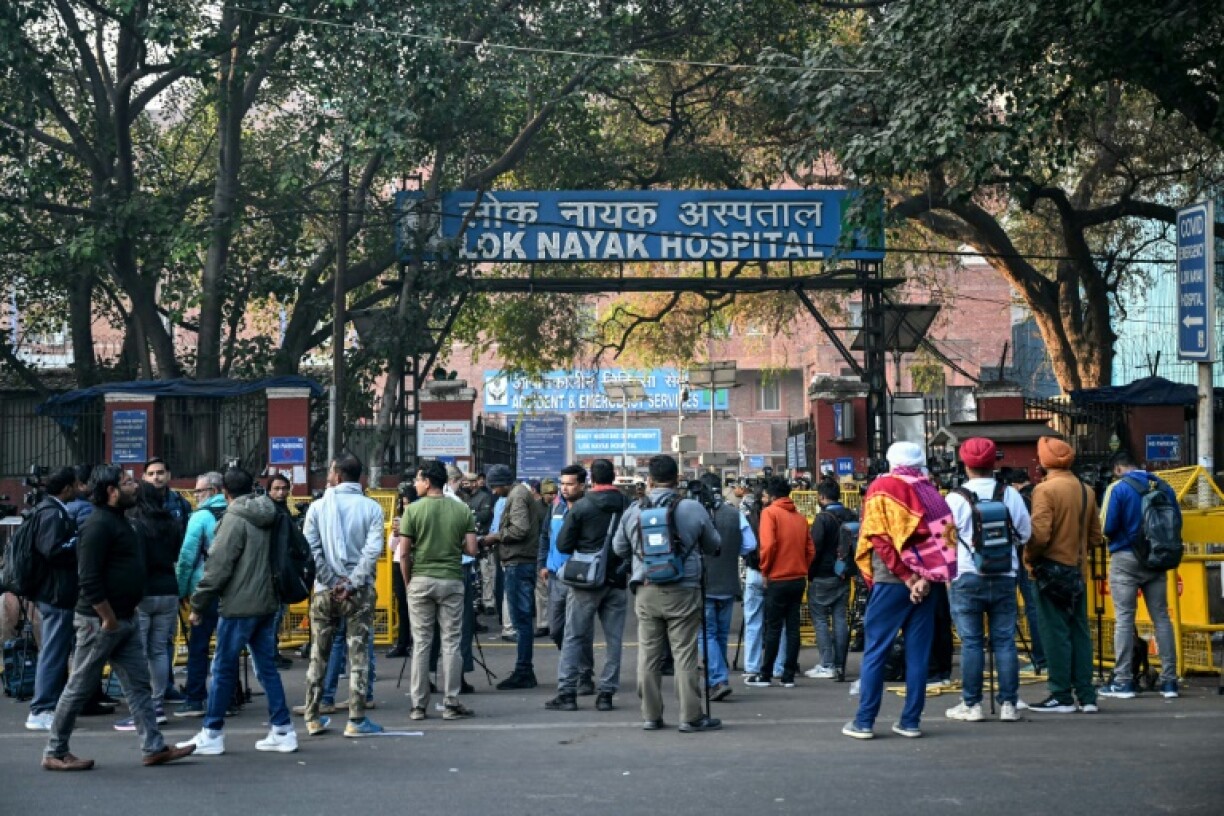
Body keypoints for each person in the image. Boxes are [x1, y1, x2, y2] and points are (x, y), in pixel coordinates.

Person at [41, 465, 195, 770]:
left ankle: (153, 746)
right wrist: (108, 619)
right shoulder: (97, 525)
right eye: (127, 483)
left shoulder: (124, 521)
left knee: (139, 687)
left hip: (125, 619)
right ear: (111, 491)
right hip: (99, 622)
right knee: (80, 686)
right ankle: (55, 751)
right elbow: (89, 579)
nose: (135, 486)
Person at [177, 468, 296, 755]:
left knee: (223, 667)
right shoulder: (271, 512)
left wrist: (198, 604)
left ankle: (212, 731)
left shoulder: (233, 519)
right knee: (266, 666)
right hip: (267, 600)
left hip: (239, 603)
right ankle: (283, 729)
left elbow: (218, 566)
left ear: (224, 493)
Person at [843, 441, 955, 740]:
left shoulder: (881, 488)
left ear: (891, 461)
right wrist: (925, 579)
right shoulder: (931, 493)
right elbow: (945, 543)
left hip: (891, 582)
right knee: (918, 655)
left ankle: (864, 721)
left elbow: (878, 538)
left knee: (876, 651)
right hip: (926, 585)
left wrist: (907, 577)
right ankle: (910, 721)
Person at [613, 455, 721, 733]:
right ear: (678, 479)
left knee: (648, 654)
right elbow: (713, 544)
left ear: (648, 479)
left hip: (647, 589)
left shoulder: (634, 510)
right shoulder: (692, 508)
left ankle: (651, 715)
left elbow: (618, 549)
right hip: (684, 589)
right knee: (684, 653)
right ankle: (691, 716)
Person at [942, 437, 1031, 723]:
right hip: (1005, 574)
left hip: (967, 575)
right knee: (1004, 641)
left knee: (971, 642)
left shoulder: (955, 498)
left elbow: (943, 540)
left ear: (965, 464)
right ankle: (1009, 704)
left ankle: (972, 704)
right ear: (994, 463)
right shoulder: (1010, 495)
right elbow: (1025, 534)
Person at [301, 453, 386, 737]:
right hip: (359, 592)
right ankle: (357, 718)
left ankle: (313, 716)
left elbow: (311, 551)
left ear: (336, 474)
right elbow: (372, 551)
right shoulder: (372, 508)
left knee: (319, 653)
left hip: (325, 591)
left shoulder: (317, 508)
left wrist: (331, 580)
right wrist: (351, 583)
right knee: (358, 653)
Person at [544, 459, 630, 712]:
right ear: (613, 477)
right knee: (614, 640)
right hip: (616, 577)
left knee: (574, 635)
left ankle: (567, 692)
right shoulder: (627, 504)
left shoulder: (582, 507)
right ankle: (606, 693)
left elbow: (562, 545)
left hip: (585, 579)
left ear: (591, 479)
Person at [1024, 436, 1102, 714]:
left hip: (1050, 572)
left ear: (1045, 461)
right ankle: (1087, 695)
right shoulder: (1086, 490)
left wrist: (1029, 559)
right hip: (1078, 571)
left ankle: (1061, 694)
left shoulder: (1044, 491)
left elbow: (1040, 534)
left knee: (1054, 633)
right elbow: (1095, 536)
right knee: (1079, 631)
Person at [399, 460, 479, 721]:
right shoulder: (462, 509)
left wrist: (409, 582)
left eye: (418, 479)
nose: (415, 484)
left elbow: (404, 554)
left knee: (422, 642)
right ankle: (451, 701)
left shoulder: (413, 511)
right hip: (452, 580)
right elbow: (472, 550)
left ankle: (418, 705)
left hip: (421, 580)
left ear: (428, 481)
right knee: (451, 642)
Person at [1098, 450, 1181, 699]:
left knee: (1124, 619)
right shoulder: (1163, 485)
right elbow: (1176, 521)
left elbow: (1108, 526)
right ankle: (1169, 682)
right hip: (1158, 559)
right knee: (1162, 619)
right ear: (1139, 465)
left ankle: (1123, 681)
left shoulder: (1118, 488)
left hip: (1126, 558)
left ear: (1117, 469)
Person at [113, 481, 183, 730]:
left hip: (143, 593)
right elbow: (176, 555)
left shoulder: (135, 525)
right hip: (169, 589)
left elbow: (137, 562)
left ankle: (142, 710)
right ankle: (157, 705)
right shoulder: (172, 523)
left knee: (138, 652)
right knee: (159, 650)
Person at [25, 468, 83, 731]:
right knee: (53, 651)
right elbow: (51, 550)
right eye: (75, 485)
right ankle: (42, 709)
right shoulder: (53, 513)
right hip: (56, 592)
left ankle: (48, 705)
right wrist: (76, 542)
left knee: (56, 650)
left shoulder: (48, 510)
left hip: (52, 591)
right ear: (67, 488)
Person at [745, 476, 813, 689]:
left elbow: (768, 545)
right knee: (792, 628)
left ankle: (765, 674)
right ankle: (788, 674)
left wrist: (766, 570)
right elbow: (810, 549)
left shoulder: (770, 513)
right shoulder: (800, 518)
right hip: (798, 577)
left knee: (773, 627)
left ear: (772, 495)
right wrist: (802, 566)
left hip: (777, 577)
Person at [482, 464, 545, 690]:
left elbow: (520, 529)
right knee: (522, 618)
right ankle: (523, 668)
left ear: (501, 483)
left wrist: (495, 537)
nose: (493, 492)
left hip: (519, 562)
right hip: (521, 561)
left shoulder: (517, 496)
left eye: (494, 487)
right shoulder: (521, 494)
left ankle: (523, 670)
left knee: (521, 620)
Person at [696, 472, 755, 702]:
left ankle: (718, 679)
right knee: (719, 634)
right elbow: (750, 544)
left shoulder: (697, 514)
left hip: (704, 584)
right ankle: (717, 680)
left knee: (705, 634)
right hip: (729, 584)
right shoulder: (735, 514)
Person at [173, 471, 227, 718]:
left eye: (199, 491)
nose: (196, 496)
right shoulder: (236, 512)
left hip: (204, 589)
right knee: (228, 646)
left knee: (199, 645)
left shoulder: (200, 517)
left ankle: (195, 697)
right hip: (233, 589)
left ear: (213, 491)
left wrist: (181, 590)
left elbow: (186, 558)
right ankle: (228, 697)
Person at [539, 465, 595, 694]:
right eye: (563, 483)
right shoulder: (556, 508)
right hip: (555, 577)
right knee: (556, 628)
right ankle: (571, 664)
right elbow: (545, 536)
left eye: (570, 484)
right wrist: (542, 563)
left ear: (582, 485)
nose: (565, 488)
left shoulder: (589, 509)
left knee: (580, 629)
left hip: (579, 577)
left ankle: (583, 674)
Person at [804, 479, 857, 681]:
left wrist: (810, 571)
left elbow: (814, 549)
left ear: (822, 497)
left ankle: (827, 664)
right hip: (844, 574)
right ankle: (840, 665)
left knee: (819, 619)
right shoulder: (850, 514)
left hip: (823, 575)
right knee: (840, 618)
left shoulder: (823, 518)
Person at [1003, 467, 1045, 673]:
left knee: (1030, 608)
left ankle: (1040, 658)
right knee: (1036, 607)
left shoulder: (1019, 498)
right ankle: (1043, 658)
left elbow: (1021, 532)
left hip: (1022, 558)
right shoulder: (1041, 493)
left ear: (1014, 484)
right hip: (1043, 558)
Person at [387, 482, 417, 659]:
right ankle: (402, 643)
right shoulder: (400, 519)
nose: (405, 506)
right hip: (398, 562)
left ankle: (414, 641)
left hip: (413, 563)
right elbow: (392, 547)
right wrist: (396, 534)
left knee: (415, 606)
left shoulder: (418, 516)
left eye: (408, 502)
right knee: (402, 606)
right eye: (403, 503)